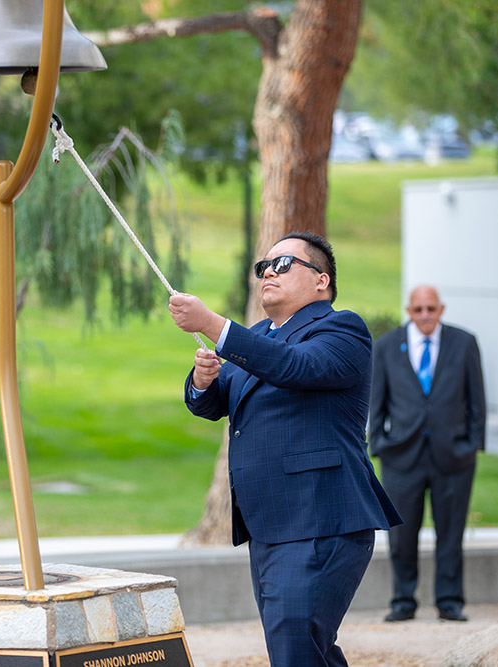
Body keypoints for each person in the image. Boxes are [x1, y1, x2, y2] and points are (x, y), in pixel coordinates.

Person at [169, 231, 401, 667]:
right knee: (302, 648)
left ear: (321, 281)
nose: (268, 272)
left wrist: (213, 325)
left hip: (321, 517)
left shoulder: (341, 329)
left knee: (296, 645)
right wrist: (201, 382)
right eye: (264, 267)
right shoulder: (257, 337)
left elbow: (296, 367)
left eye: (284, 264)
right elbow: (214, 403)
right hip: (269, 523)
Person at [368, 285, 486, 623]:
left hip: (453, 456)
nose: (425, 316)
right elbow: (377, 401)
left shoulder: (464, 343)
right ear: (409, 310)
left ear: (441, 310)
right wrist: (379, 443)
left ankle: (449, 601)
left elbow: (477, 398)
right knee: (402, 535)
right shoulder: (388, 346)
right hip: (401, 457)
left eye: (431, 309)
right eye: (418, 309)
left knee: (451, 533)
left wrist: (473, 443)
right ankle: (403, 600)